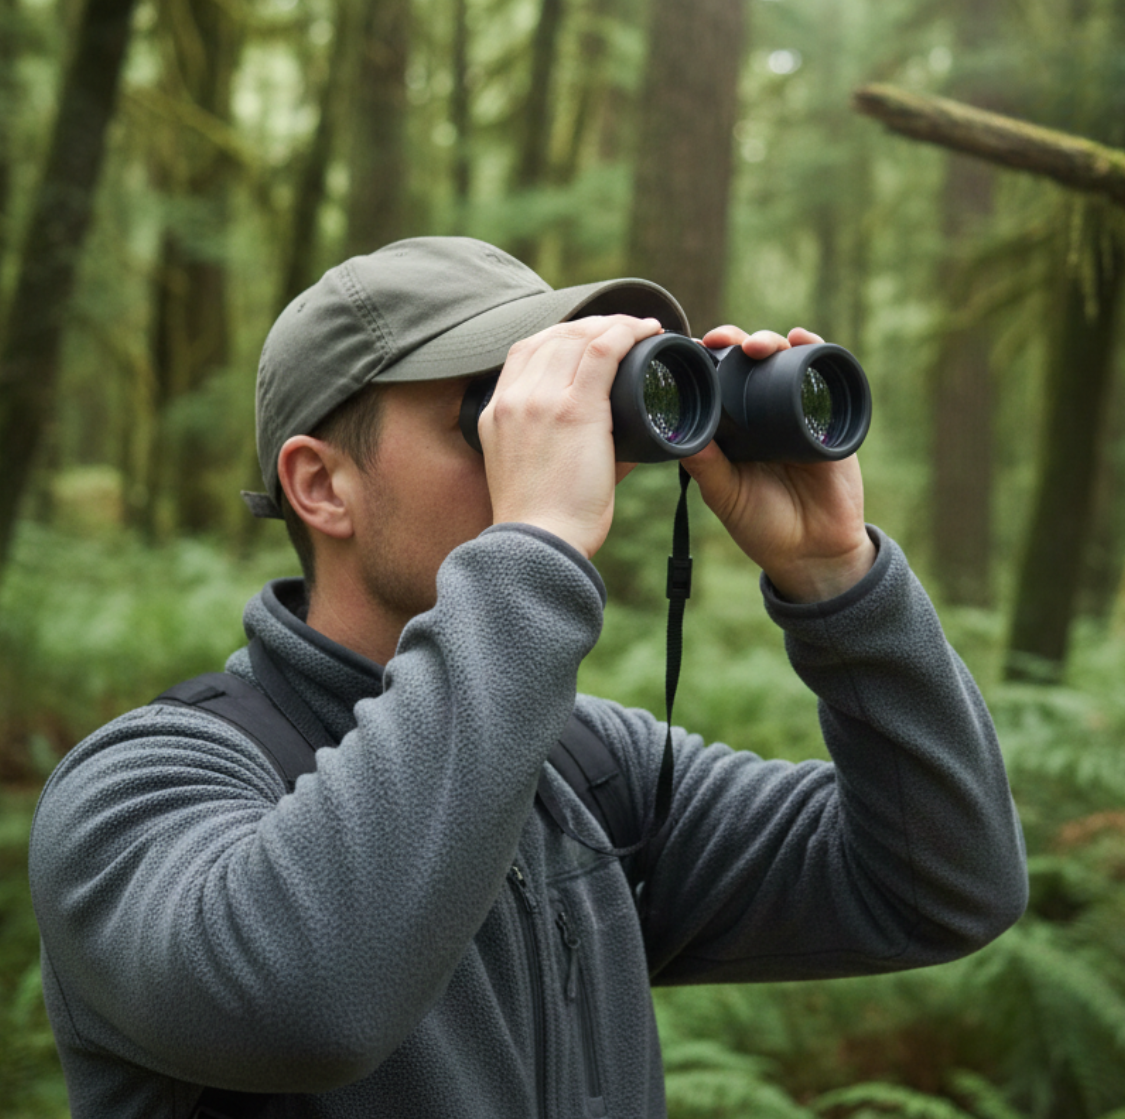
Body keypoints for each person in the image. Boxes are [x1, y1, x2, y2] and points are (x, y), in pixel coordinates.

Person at [29, 236, 1028, 1118]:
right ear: (321, 483)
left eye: (560, 406)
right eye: (491, 410)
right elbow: (308, 999)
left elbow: (940, 882)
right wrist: (535, 545)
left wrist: (834, 577)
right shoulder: (140, 790)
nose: (552, 440)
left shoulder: (590, 771)